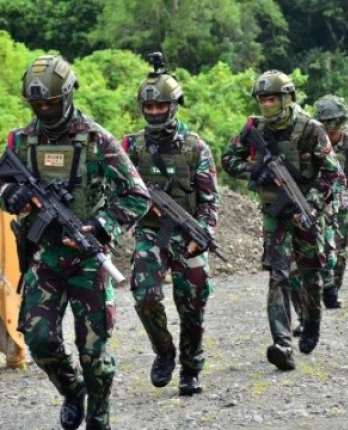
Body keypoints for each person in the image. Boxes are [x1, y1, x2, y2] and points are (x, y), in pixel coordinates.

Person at [0, 55, 150, 430]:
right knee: (39, 337)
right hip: (43, 257)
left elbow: (137, 195)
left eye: (51, 102)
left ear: (68, 95)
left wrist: (100, 224)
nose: (45, 110)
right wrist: (10, 194)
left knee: (94, 351)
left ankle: (99, 417)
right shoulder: (21, 140)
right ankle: (71, 388)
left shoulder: (97, 140)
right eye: (37, 105)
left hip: (88, 261)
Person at [221, 70, 344, 371]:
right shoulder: (254, 128)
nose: (267, 104)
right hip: (275, 216)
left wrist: (312, 205)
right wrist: (255, 168)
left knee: (310, 275)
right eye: (262, 98)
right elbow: (227, 160)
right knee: (278, 274)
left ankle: (311, 323)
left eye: (272, 97)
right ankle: (282, 343)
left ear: (287, 98)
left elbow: (332, 173)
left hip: (306, 211)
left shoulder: (311, 129)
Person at [123, 53, 219, 395]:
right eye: (148, 108)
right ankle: (164, 352)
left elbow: (210, 200)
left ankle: (191, 368)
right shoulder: (131, 147)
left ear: (173, 106)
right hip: (151, 231)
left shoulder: (195, 148)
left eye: (160, 107)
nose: (153, 113)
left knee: (192, 305)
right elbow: (116, 187)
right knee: (145, 295)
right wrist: (141, 203)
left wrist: (203, 235)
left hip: (189, 234)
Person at [313, 94, 348, 307]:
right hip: (322, 201)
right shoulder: (314, 143)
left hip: (343, 204)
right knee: (321, 247)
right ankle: (322, 289)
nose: (331, 126)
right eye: (326, 122)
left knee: (341, 251)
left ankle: (333, 290)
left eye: (335, 121)